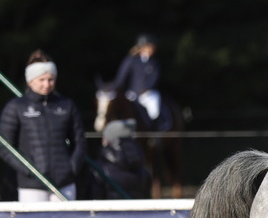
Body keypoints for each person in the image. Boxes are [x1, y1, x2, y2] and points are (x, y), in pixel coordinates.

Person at [0, 50, 86, 201]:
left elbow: (79, 141)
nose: (47, 84)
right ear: (30, 81)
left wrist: (72, 168)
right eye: (41, 80)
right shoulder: (16, 107)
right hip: (31, 186)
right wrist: (28, 170)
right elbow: (5, 146)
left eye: (51, 79)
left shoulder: (66, 105)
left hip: (65, 183)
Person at [97, 33, 172, 132]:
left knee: (154, 110)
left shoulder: (154, 62)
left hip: (149, 94)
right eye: (151, 46)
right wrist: (111, 86)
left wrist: (146, 89)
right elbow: (121, 78)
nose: (154, 49)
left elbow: (155, 78)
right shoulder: (131, 60)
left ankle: (155, 134)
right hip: (133, 93)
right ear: (144, 46)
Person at [90, 119, 152, 199]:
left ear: (106, 140)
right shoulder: (143, 170)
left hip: (108, 211)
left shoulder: (99, 170)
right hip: (137, 211)